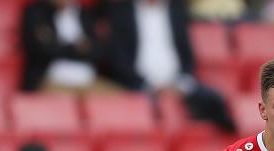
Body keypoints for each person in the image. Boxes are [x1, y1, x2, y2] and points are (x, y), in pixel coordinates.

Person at [99, 0, 236, 132]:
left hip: (177, 81)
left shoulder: (176, 10)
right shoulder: (122, 12)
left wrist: (180, 83)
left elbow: (186, 53)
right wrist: (153, 85)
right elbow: (119, 59)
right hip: (139, 84)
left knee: (214, 101)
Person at [20, 0, 115, 94]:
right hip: (52, 79)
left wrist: (60, 46)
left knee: (118, 98)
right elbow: (43, 50)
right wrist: (77, 48)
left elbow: (99, 51)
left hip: (88, 80)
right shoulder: (38, 12)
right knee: (62, 101)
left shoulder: (87, 14)